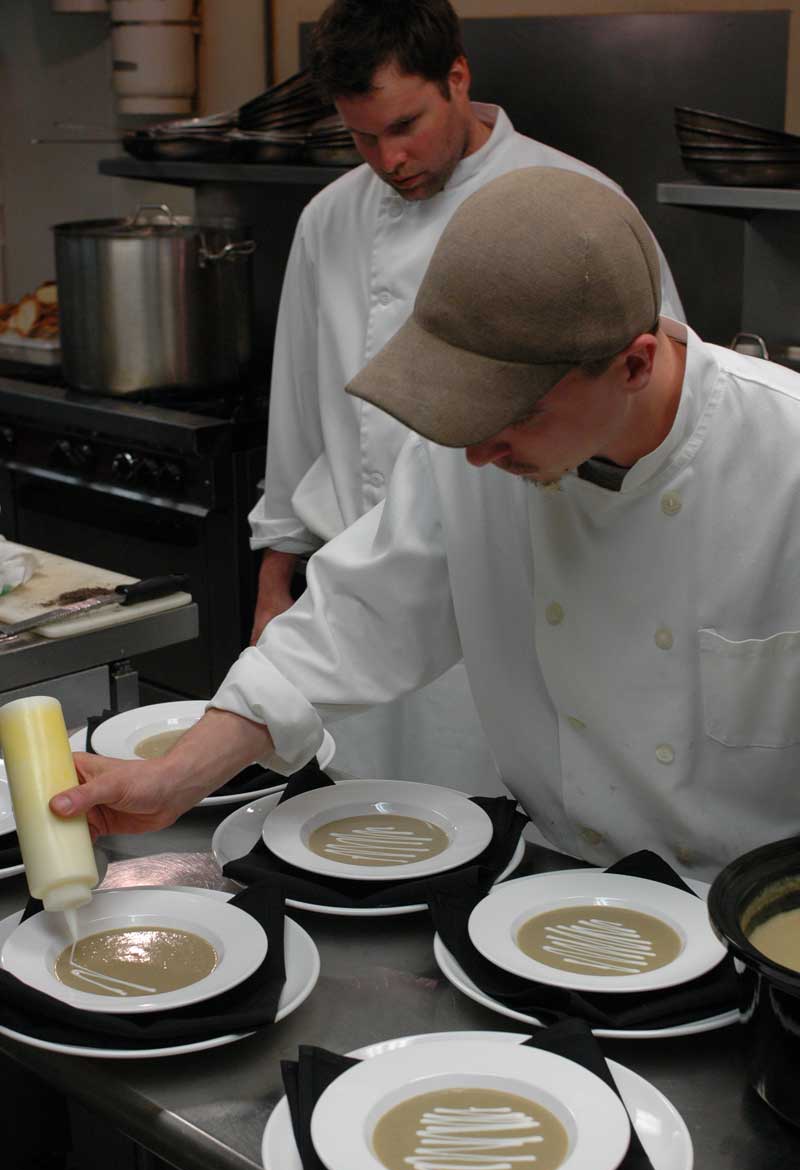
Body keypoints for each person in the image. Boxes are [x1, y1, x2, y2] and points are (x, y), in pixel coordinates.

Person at [53, 166, 800, 880]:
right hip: (549, 887)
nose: (477, 451)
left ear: (634, 366)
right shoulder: (482, 456)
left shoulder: (785, 460)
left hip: (755, 919)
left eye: (516, 413)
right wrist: (173, 777)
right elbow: (350, 621)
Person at [246, 0, 684, 791]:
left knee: (507, 824)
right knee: (367, 841)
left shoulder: (576, 204)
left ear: (457, 78)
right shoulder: (329, 221)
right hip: (358, 599)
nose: (389, 158)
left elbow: (656, 411)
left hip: (523, 595)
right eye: (363, 136)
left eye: (406, 124)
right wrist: (278, 576)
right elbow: (301, 410)